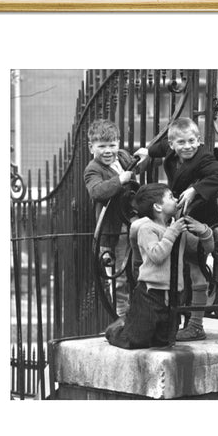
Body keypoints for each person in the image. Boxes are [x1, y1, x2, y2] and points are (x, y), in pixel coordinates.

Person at [137, 118, 218, 341]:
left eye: (192, 141)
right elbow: (159, 148)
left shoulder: (203, 157)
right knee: (180, 271)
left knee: (197, 271)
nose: (187, 146)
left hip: (202, 223)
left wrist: (195, 189)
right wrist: (147, 151)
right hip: (180, 220)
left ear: (198, 140)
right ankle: (174, 320)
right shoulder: (170, 151)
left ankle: (196, 325)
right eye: (181, 142)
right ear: (172, 144)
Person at [106, 183, 215, 349]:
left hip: (173, 295)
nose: (176, 200)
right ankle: (116, 329)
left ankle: (133, 325)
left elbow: (206, 249)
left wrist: (204, 231)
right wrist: (173, 232)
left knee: (164, 340)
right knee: (136, 341)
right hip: (150, 293)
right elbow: (157, 255)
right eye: (171, 197)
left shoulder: (177, 230)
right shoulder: (147, 229)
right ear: (157, 207)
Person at [83, 119, 148, 319]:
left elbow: (135, 170)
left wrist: (144, 158)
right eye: (101, 146)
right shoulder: (93, 169)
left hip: (134, 223)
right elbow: (97, 192)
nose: (108, 151)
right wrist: (120, 180)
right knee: (118, 276)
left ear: (118, 143)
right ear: (91, 147)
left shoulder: (122, 156)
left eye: (112, 145)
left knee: (139, 269)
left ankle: (141, 311)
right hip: (114, 231)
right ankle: (122, 317)